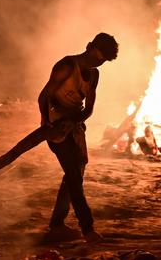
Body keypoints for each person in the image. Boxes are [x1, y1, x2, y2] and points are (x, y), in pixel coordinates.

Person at [39, 32, 118, 243]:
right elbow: (44, 95)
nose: (97, 63)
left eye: (102, 61)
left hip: (74, 127)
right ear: (89, 45)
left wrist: (74, 122)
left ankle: (57, 224)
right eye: (96, 57)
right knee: (73, 175)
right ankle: (87, 228)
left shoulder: (94, 75)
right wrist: (47, 122)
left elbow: (89, 109)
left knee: (76, 172)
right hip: (55, 127)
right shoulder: (66, 65)